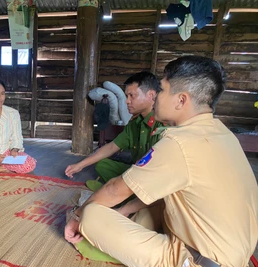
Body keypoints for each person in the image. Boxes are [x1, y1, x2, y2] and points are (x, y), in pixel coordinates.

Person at [64, 56, 258, 266]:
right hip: (232, 254)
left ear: (181, 100)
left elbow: (114, 191)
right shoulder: (224, 134)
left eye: (162, 90)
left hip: (196, 260)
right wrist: (125, 209)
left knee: (92, 215)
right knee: (154, 203)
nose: (156, 97)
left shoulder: (178, 141)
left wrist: (77, 216)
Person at [65, 72, 163, 190]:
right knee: (103, 165)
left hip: (153, 178)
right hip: (136, 174)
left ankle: (116, 192)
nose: (127, 101)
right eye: (127, 96)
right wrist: (80, 165)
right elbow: (112, 147)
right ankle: (120, 191)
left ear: (151, 95)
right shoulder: (134, 123)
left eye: (132, 95)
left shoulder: (163, 124)